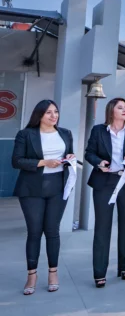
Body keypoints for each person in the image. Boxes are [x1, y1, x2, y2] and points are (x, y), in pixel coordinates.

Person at [12, 99, 76, 295]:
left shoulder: (65, 133)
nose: (53, 116)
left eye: (55, 112)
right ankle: (32, 275)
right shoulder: (26, 134)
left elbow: (69, 153)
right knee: (34, 231)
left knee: (52, 231)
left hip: (58, 188)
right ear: (39, 115)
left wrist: (70, 158)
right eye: (49, 112)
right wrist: (43, 162)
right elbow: (16, 161)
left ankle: (53, 273)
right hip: (31, 189)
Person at [84, 98, 125, 288]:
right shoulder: (99, 131)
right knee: (103, 227)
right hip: (104, 181)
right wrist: (99, 163)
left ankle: (124, 266)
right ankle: (99, 272)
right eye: (120, 107)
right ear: (111, 111)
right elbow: (89, 153)